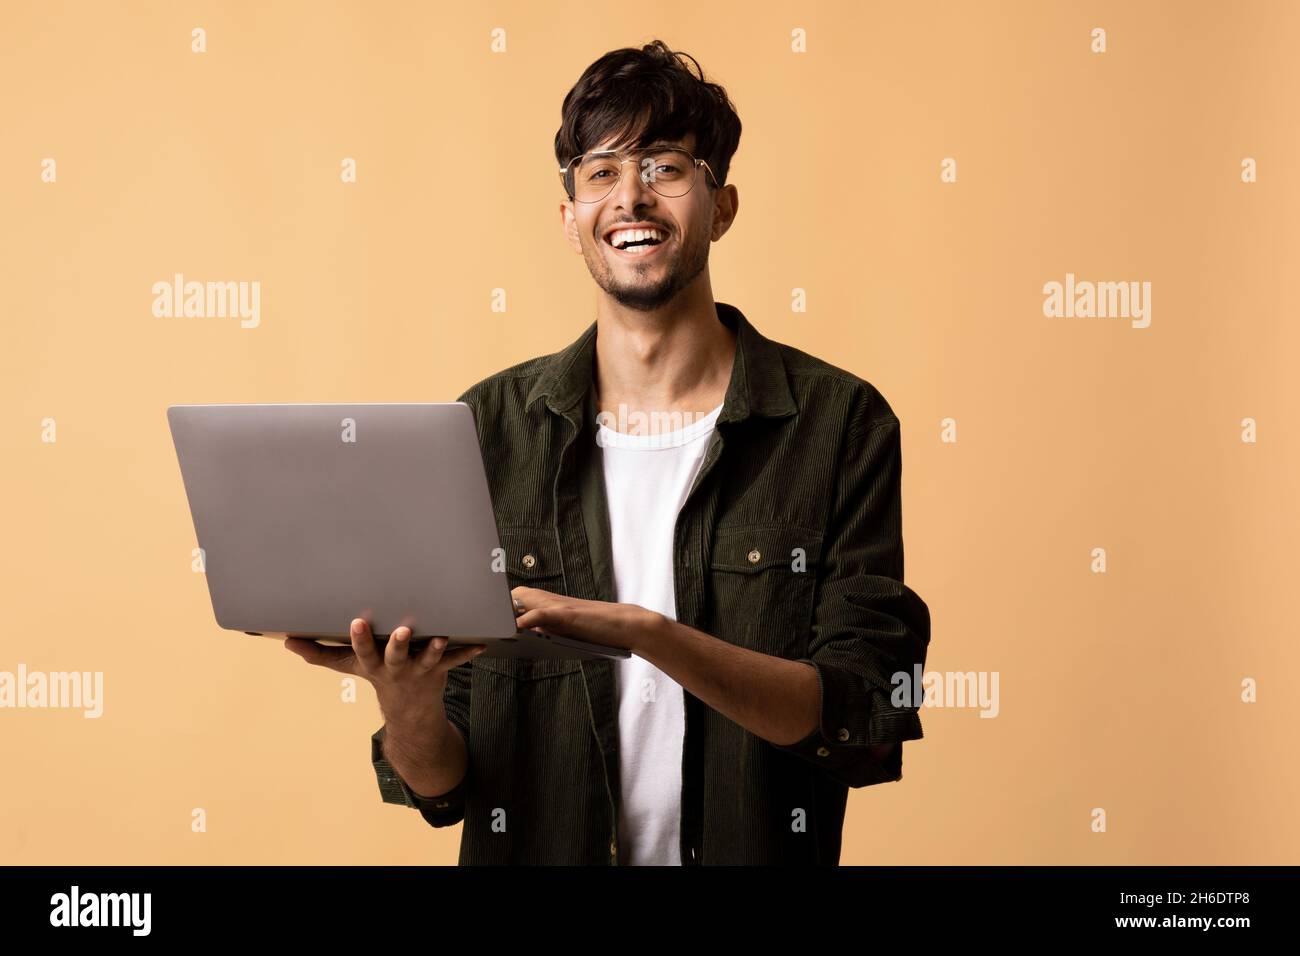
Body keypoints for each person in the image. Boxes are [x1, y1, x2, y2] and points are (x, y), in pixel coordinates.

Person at [285, 39, 930, 866]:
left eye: (665, 166)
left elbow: (855, 710)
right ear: (569, 218)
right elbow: (444, 789)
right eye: (600, 171)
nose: (632, 197)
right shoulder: (486, 428)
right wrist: (405, 700)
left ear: (721, 206)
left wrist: (647, 633)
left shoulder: (839, 424)